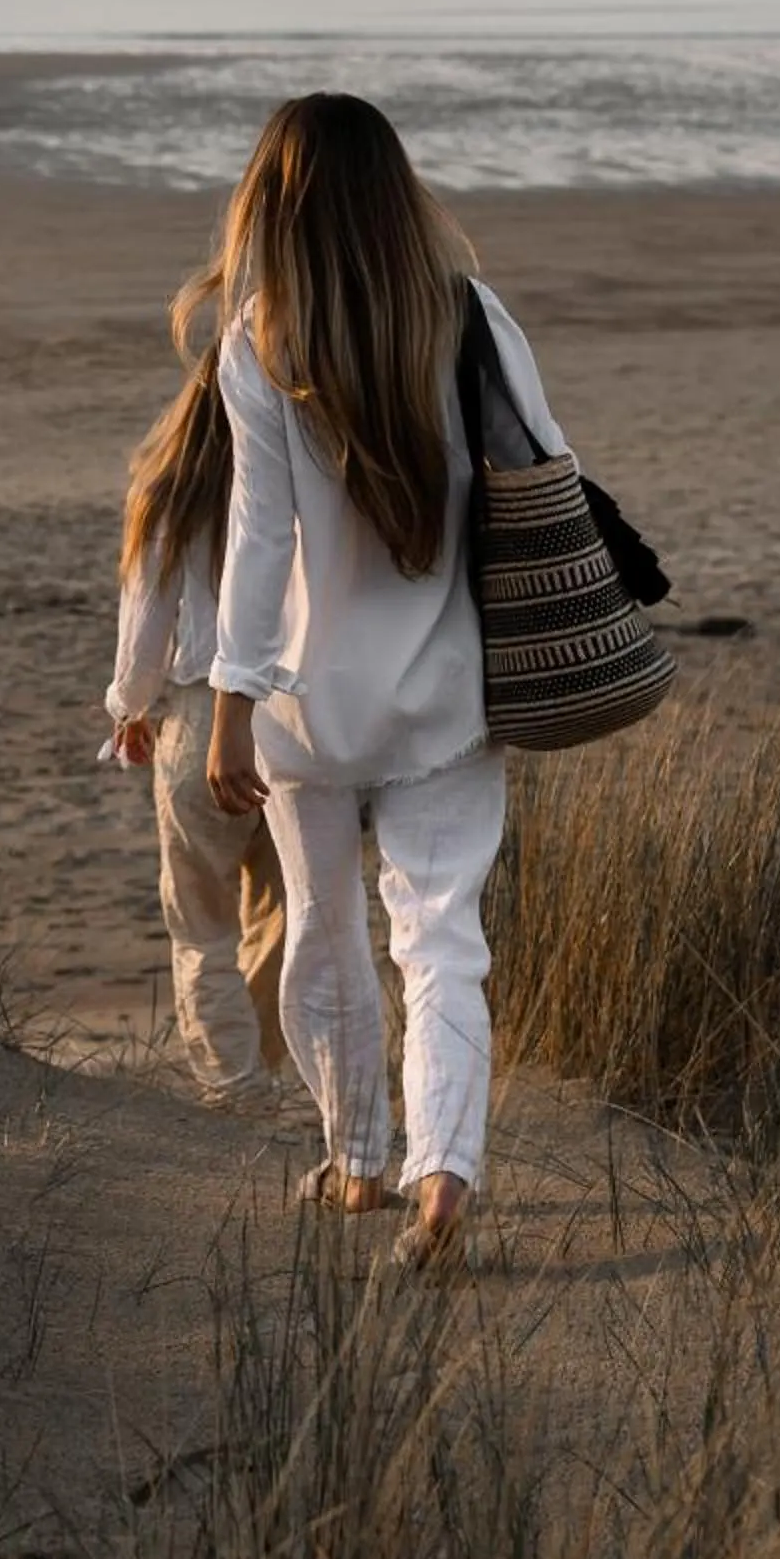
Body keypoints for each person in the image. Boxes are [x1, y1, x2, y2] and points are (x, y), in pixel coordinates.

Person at [196, 92, 568, 1270]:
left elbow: (257, 537)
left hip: (306, 703)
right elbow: (547, 466)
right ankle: (442, 1178)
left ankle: (356, 1160)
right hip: (450, 691)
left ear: (274, 203)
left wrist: (228, 705)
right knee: (441, 936)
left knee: (322, 930)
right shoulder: (468, 314)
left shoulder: (259, 337)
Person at [107, 345, 287, 1106]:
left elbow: (145, 629)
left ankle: (233, 1082)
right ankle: (270, 1067)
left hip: (197, 716)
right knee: (289, 912)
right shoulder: (300, 485)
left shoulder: (169, 493)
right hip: (295, 717)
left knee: (201, 920)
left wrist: (129, 708)